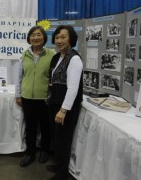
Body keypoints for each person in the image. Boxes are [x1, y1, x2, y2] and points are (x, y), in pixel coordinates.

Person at [46, 25, 83, 180]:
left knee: (64, 140)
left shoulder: (74, 58)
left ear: (71, 39)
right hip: (55, 102)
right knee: (57, 138)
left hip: (65, 107)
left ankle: (62, 174)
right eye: (57, 37)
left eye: (63, 37)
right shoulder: (58, 56)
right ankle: (58, 164)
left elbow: (73, 88)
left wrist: (63, 110)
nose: (59, 40)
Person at [15, 25, 55, 167]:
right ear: (29, 38)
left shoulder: (51, 54)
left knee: (45, 126)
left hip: (44, 98)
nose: (36, 37)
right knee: (30, 127)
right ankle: (30, 153)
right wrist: (18, 94)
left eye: (39, 34)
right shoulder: (24, 54)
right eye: (33, 35)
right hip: (27, 98)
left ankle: (44, 150)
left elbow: (54, 77)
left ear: (44, 37)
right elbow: (20, 76)